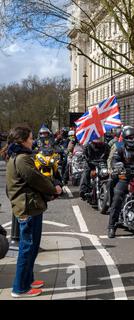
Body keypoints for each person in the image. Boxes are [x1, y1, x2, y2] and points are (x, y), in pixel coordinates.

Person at [4, 126, 62, 298]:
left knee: (32, 246)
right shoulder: (22, 159)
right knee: (27, 248)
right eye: (30, 138)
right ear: (22, 140)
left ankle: (27, 280)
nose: (33, 141)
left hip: (30, 205)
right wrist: (54, 189)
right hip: (27, 207)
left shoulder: (20, 156)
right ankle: (20, 288)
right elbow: (36, 179)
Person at [79, 137, 110, 201]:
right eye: (97, 138)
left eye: (100, 138)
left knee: (110, 174)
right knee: (86, 173)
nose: (98, 139)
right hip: (91, 165)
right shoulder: (88, 146)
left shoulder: (106, 146)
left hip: (102, 165)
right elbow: (85, 155)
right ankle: (83, 191)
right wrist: (84, 157)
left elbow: (110, 155)